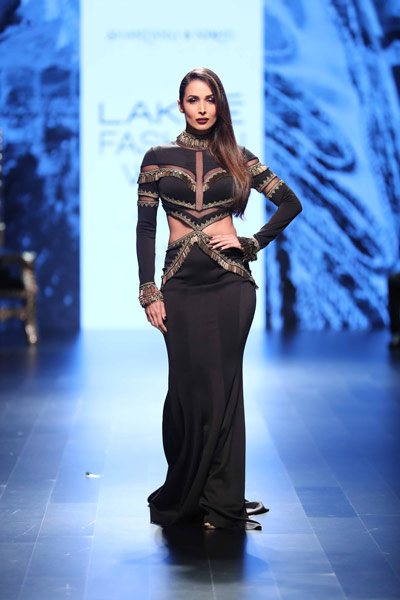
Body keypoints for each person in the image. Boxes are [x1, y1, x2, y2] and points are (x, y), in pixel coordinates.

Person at [136, 67, 303, 531]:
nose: (202, 108)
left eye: (210, 99)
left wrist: (252, 243)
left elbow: (290, 202)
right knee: (186, 392)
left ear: (220, 104)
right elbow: (146, 228)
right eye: (193, 99)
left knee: (224, 391)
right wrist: (148, 290)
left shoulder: (238, 157)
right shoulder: (156, 159)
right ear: (181, 105)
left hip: (231, 284)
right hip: (180, 286)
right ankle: (189, 491)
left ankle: (221, 501)